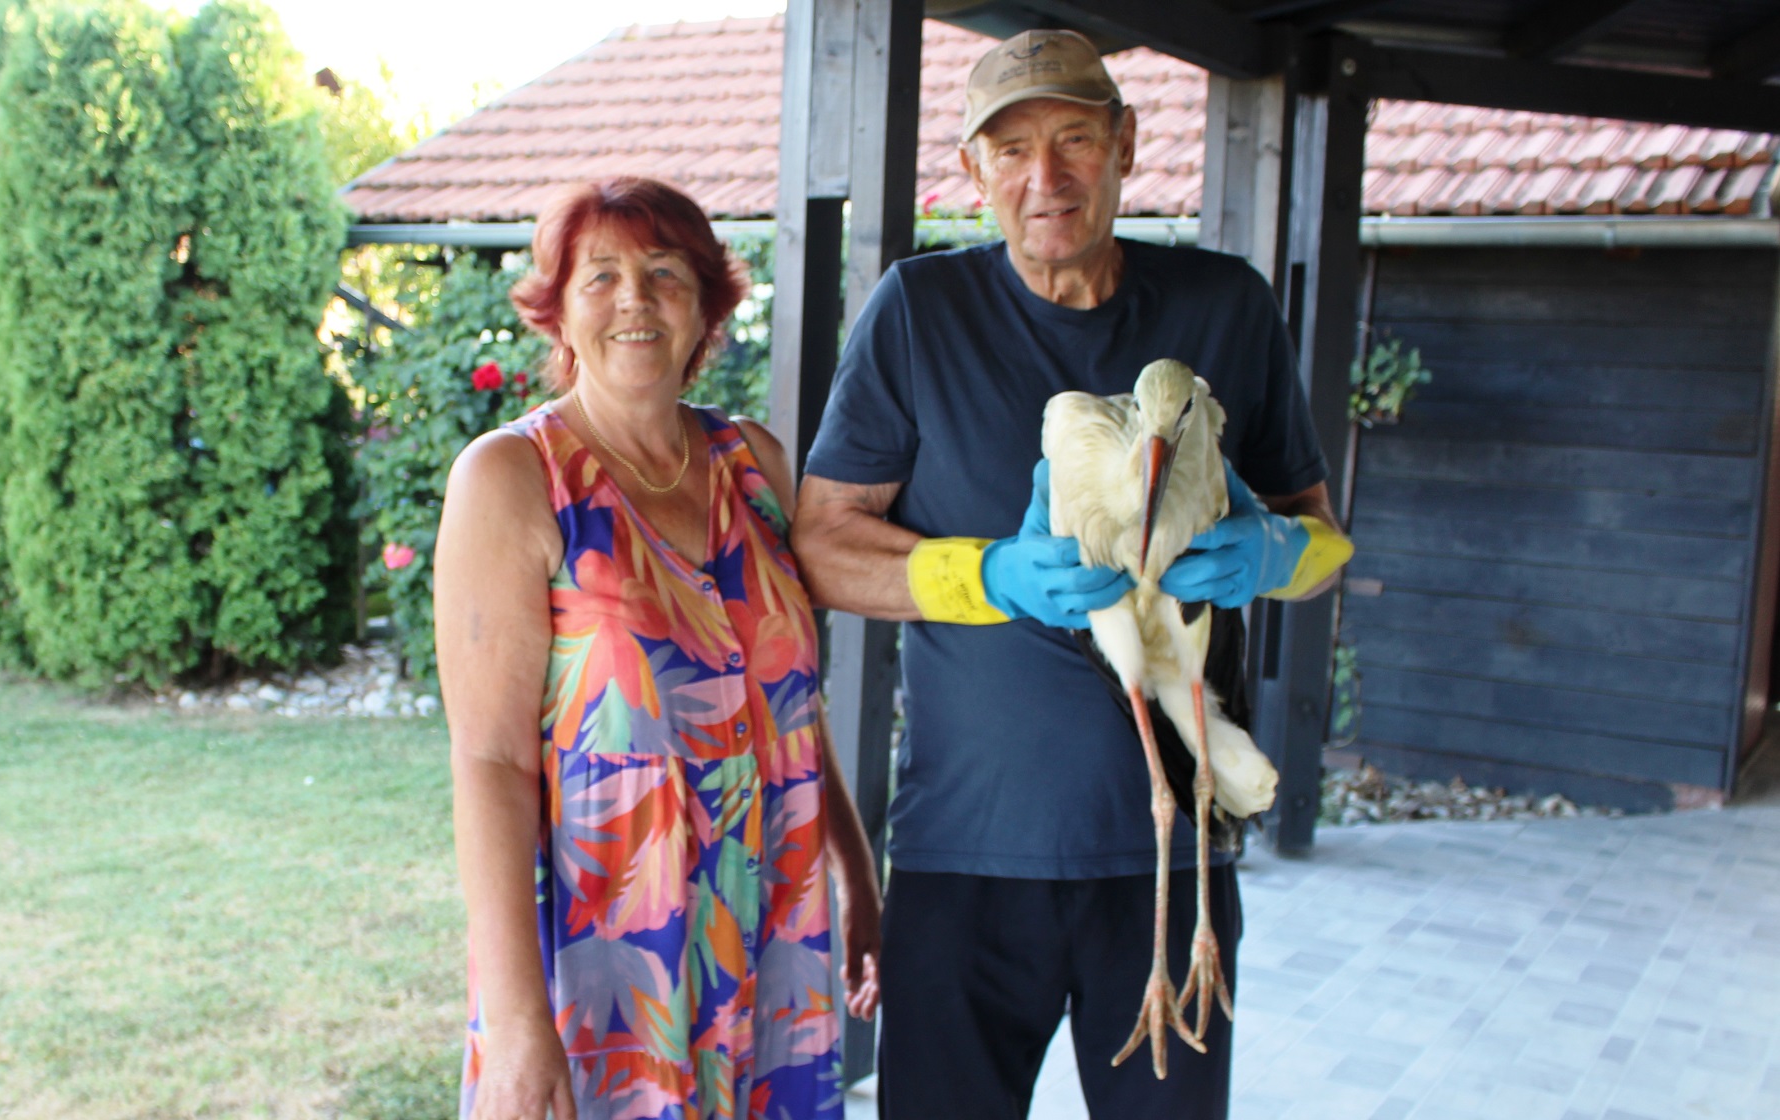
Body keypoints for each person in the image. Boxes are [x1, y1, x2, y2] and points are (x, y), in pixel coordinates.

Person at [791, 29, 1352, 1120]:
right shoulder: (920, 314)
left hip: (1168, 869)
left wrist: (1281, 556)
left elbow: (1322, 537)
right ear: (972, 172)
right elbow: (821, 544)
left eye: (1074, 139)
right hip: (965, 853)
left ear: (1126, 146)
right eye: (1010, 150)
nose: (1043, 178)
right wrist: (990, 575)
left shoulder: (1225, 308)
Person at [436, 176, 882, 1120]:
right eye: (599, 276)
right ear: (557, 308)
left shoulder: (753, 461)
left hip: (774, 942)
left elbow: (790, 698)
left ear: (707, 305)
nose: (634, 299)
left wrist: (855, 866)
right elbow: (489, 759)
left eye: (664, 272)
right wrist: (519, 1022)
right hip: (614, 965)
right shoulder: (513, 477)